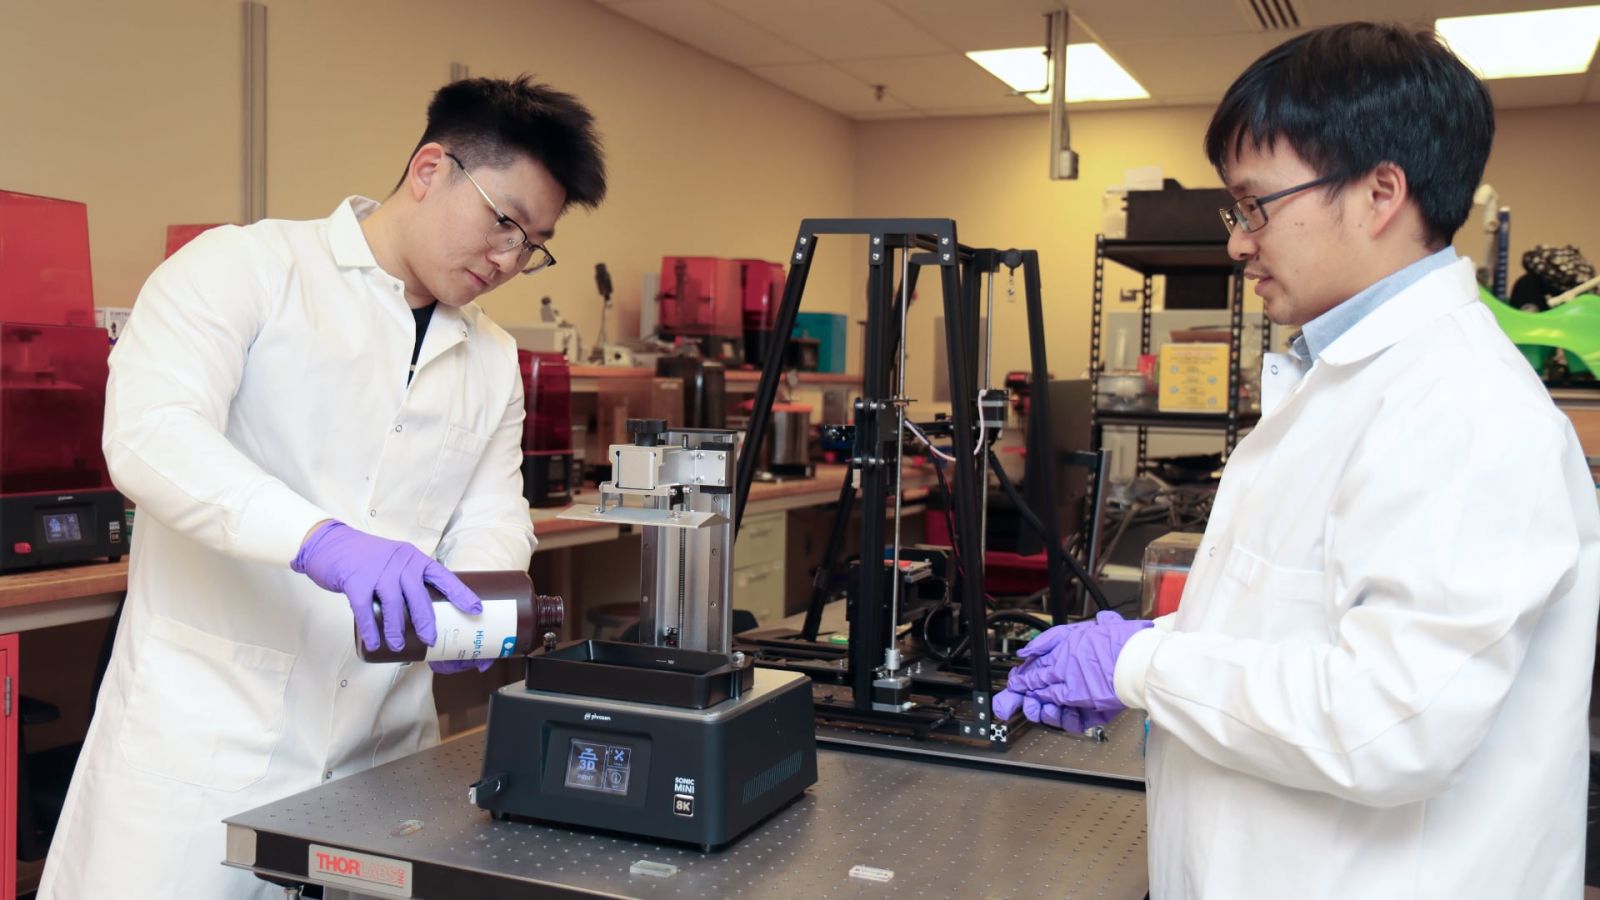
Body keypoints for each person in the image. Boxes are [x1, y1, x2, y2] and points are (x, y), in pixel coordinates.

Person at [995, 22, 1600, 899]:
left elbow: (1393, 722)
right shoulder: (1342, 383)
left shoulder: (1462, 409)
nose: (1238, 241)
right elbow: (1310, 631)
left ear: (1379, 192)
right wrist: (1154, 656)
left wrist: (1144, 668)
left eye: (1256, 205)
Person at [39, 75, 606, 898]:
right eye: (504, 223)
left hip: (383, 761)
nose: (510, 260)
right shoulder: (246, 270)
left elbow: (491, 508)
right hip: (203, 755)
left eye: (534, 243)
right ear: (429, 170)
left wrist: (471, 609)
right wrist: (320, 542)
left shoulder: (489, 359)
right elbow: (152, 435)